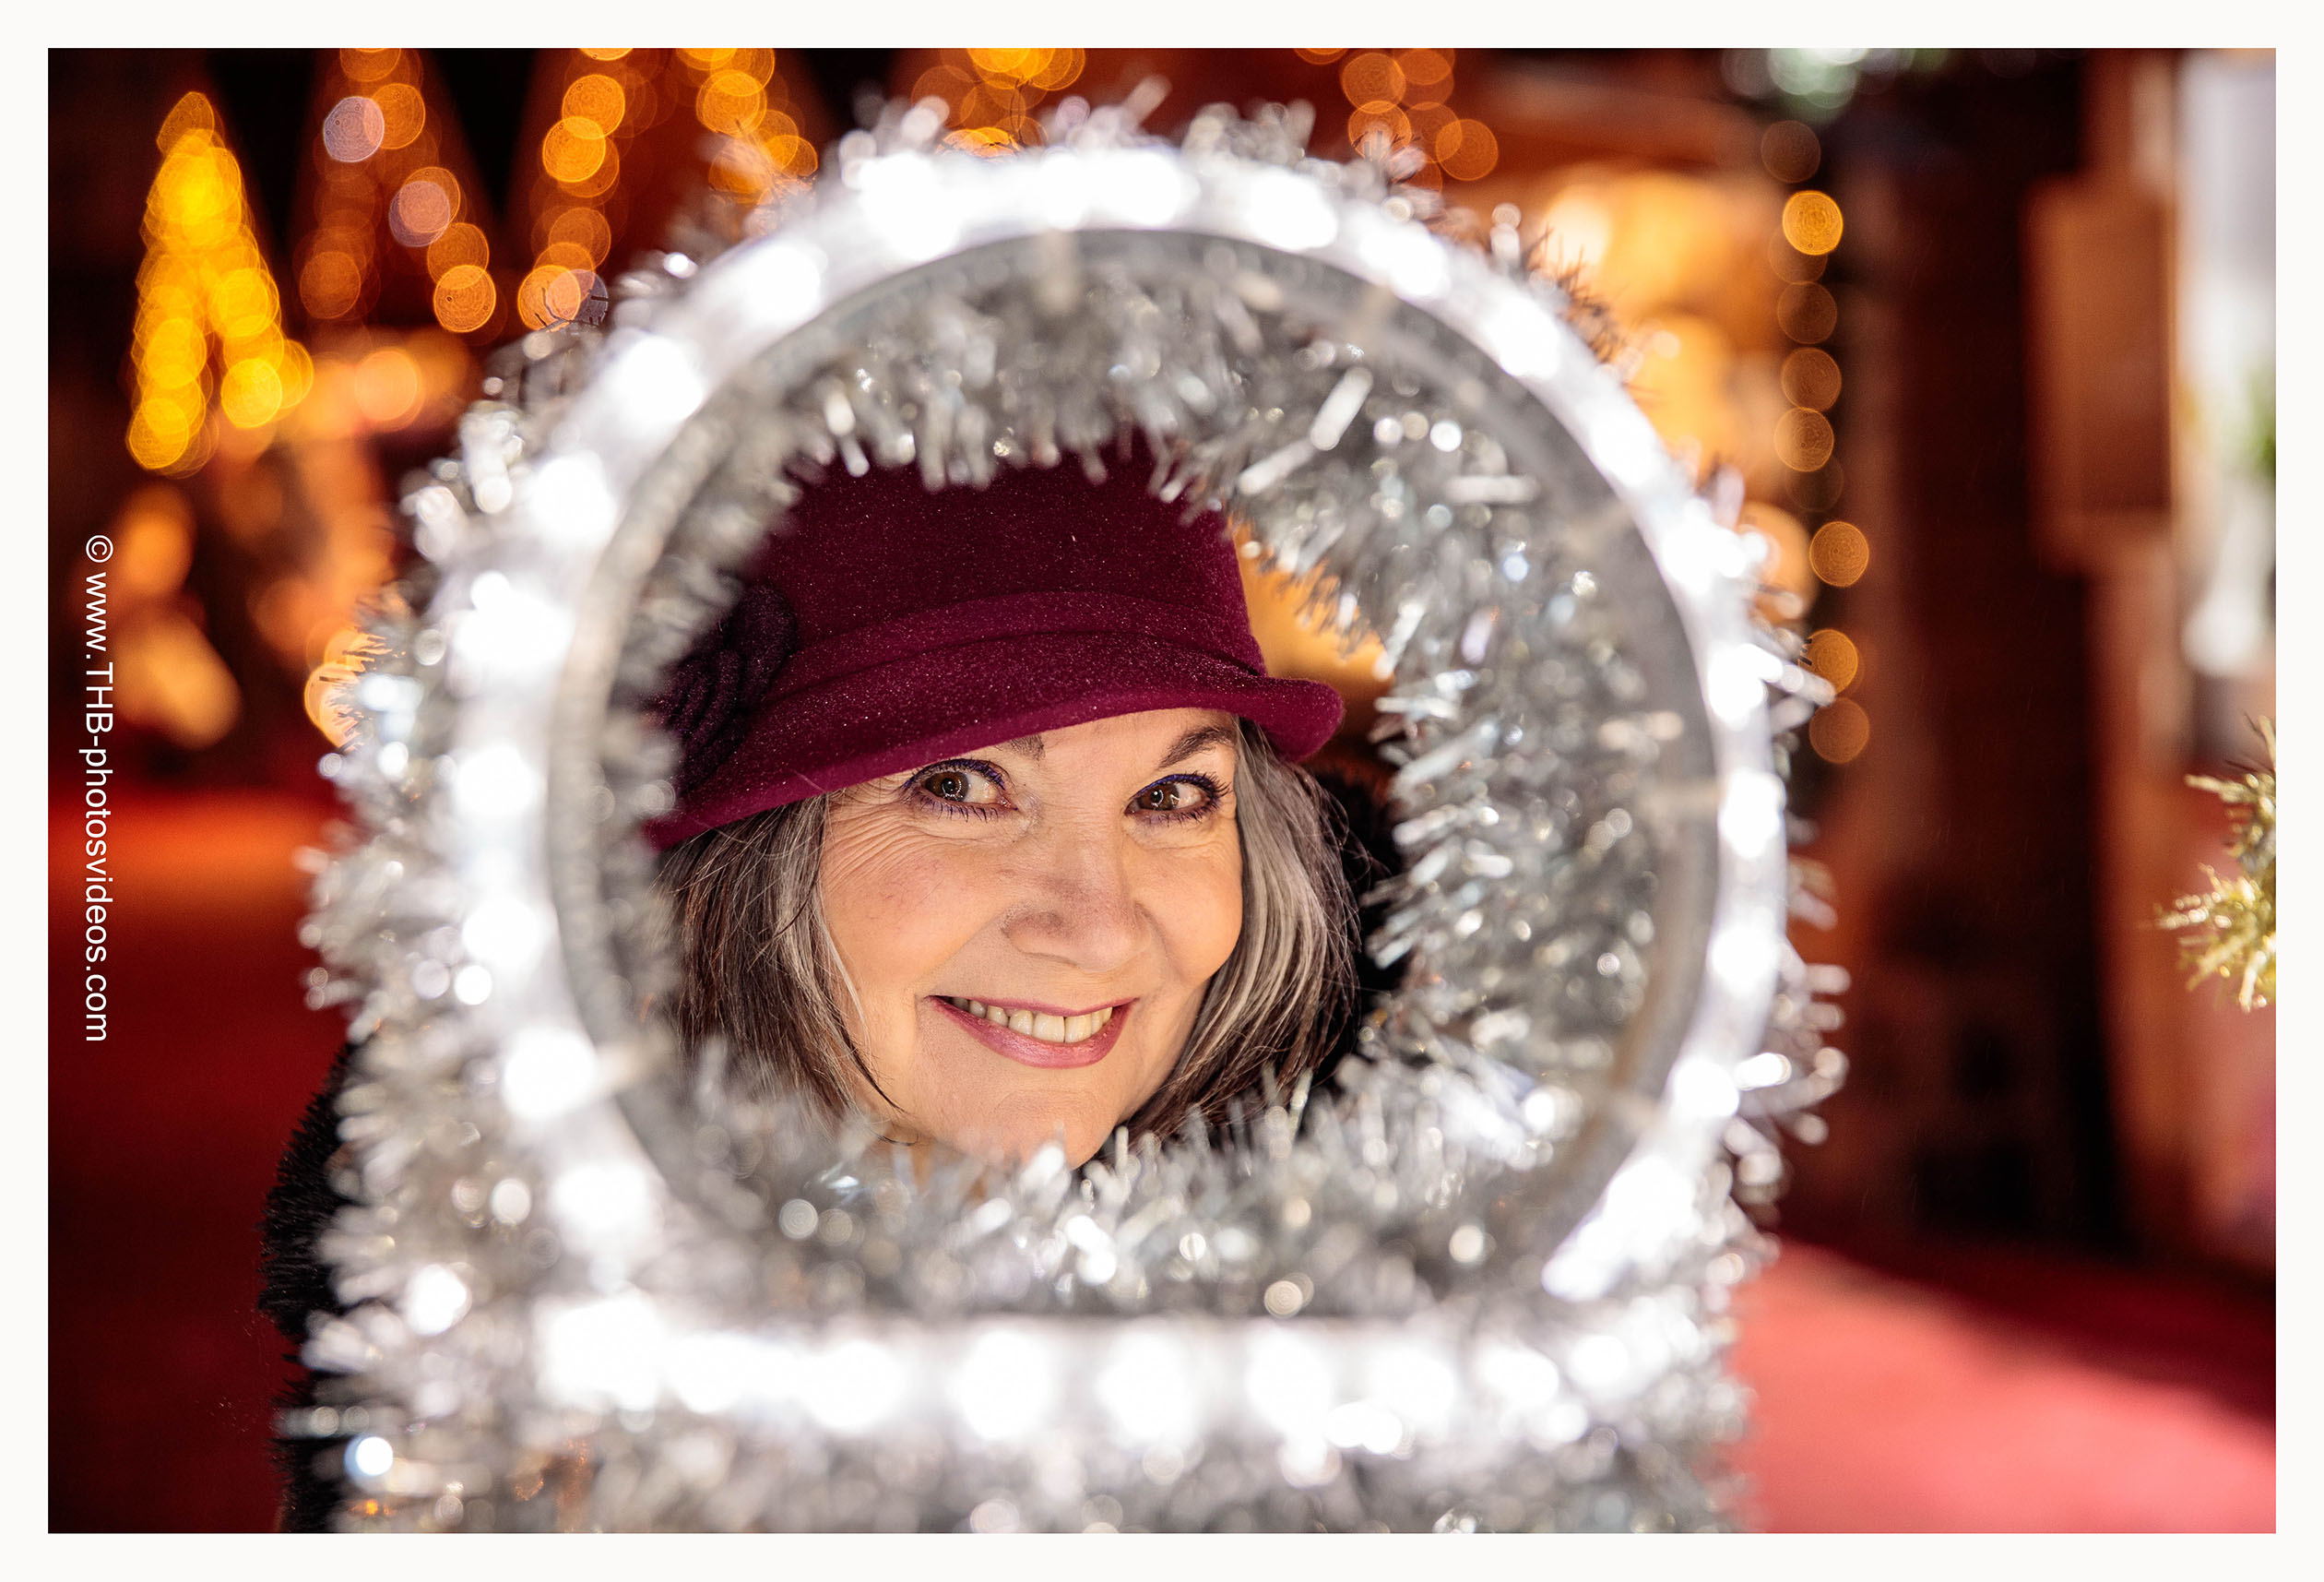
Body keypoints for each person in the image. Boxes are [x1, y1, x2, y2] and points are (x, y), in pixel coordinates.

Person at [260, 446, 1404, 1526]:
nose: (1101, 931)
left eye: (1173, 798)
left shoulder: (1395, 1349)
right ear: (717, 871)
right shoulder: (511, 1448)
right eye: (962, 785)